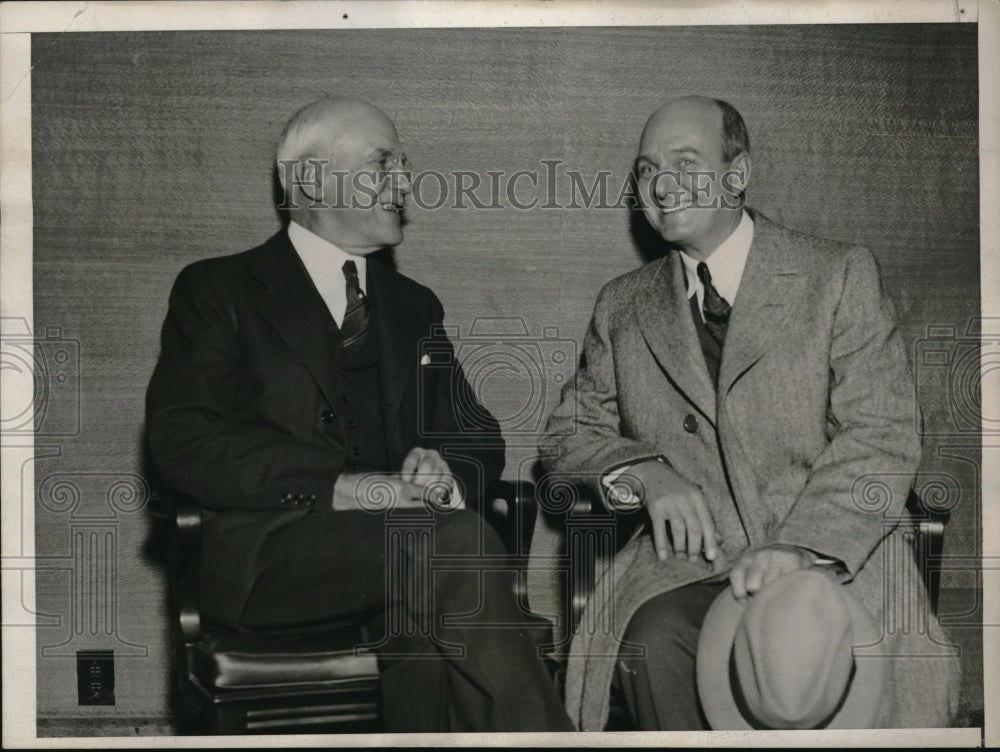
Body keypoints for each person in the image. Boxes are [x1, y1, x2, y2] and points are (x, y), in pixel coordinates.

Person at [146, 97, 572, 732]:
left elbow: (475, 437)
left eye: (403, 165)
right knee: (447, 547)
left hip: (405, 563)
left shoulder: (412, 306)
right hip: (274, 561)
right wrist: (343, 486)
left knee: (430, 623)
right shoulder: (217, 291)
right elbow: (183, 442)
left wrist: (441, 471)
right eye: (383, 165)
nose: (405, 183)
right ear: (312, 180)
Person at [541, 95, 959, 730]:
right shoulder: (622, 307)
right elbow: (567, 437)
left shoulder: (837, 275)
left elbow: (883, 433)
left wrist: (801, 545)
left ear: (737, 175)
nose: (662, 184)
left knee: (831, 673)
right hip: (687, 569)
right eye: (648, 169)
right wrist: (645, 472)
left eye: (686, 162)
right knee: (652, 639)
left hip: (836, 558)